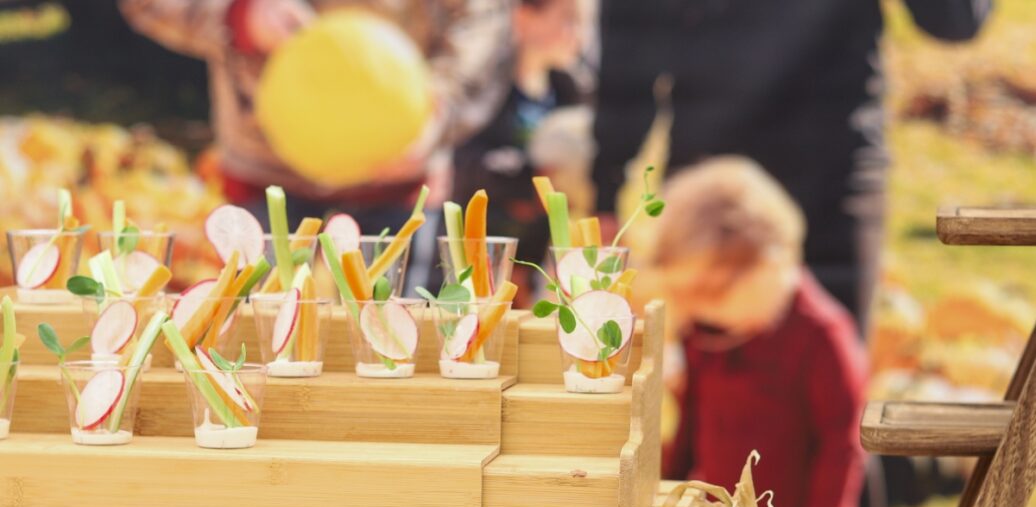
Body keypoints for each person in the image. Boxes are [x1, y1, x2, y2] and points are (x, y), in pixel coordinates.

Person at [592, 0, 992, 339]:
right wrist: (605, 190)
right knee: (712, 408)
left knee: (832, 398)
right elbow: (632, 33)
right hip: (715, 204)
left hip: (833, 186)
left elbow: (955, 19)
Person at [118, 0, 513, 254]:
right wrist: (238, 14)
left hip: (399, 180)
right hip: (264, 178)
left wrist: (440, 112)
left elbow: (484, 22)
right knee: (261, 348)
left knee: (389, 360)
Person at [653, 157, 867, 507]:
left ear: (769, 264)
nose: (700, 311)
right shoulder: (707, 332)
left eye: (712, 296)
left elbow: (842, 450)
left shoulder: (822, 338)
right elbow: (693, 420)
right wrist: (669, 491)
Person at [451, 0, 588, 281]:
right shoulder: (484, 88)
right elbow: (460, 162)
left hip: (534, 264)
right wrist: (528, 182)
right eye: (567, 20)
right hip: (474, 258)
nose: (577, 34)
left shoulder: (570, 92)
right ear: (524, 18)